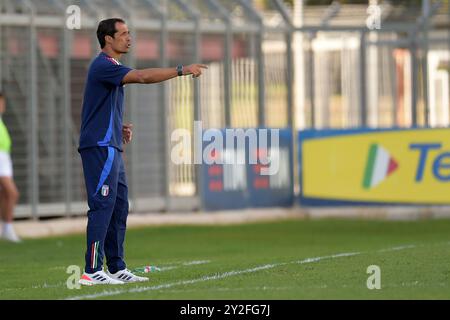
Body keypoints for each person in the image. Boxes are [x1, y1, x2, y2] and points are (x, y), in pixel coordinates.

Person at [78, 18, 207, 286]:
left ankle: (115, 267)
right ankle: (91, 270)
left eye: (129, 33)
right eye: (123, 34)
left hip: (112, 144)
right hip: (100, 148)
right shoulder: (104, 65)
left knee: (119, 205)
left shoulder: (111, 67)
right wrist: (182, 69)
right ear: (108, 40)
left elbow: (99, 107)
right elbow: (143, 77)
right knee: (102, 205)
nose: (129, 37)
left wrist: (119, 127)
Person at [0, 91, 21, 243]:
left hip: (5, 158)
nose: (2, 106)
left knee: (5, 195)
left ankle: (5, 228)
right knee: (12, 193)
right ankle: (7, 228)